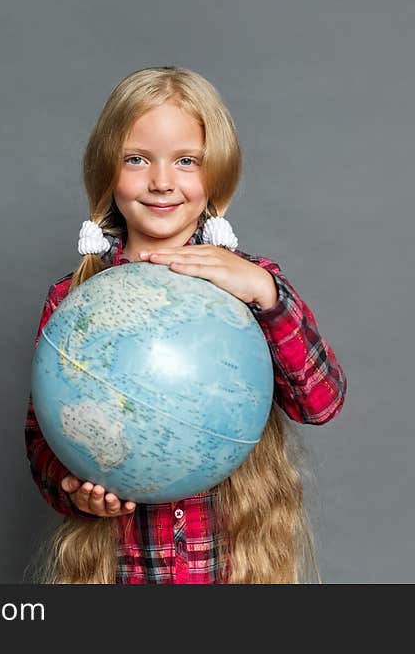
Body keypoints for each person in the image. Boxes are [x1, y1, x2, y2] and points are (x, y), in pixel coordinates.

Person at [25, 66, 347, 584]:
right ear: (106, 169)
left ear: (216, 173)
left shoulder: (247, 285)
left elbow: (321, 401)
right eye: (136, 159)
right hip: (118, 569)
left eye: (186, 161)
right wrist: (75, 490)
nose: (161, 181)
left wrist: (267, 295)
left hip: (236, 560)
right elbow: (43, 441)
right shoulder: (74, 301)